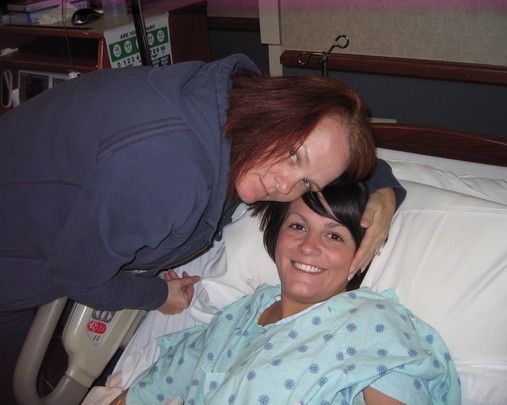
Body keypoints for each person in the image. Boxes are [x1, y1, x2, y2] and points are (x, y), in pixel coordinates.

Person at [0, 54, 405, 402]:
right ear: (278, 113)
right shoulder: (174, 170)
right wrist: (157, 295)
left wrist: (384, 191)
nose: (284, 187)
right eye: (292, 155)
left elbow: (330, 155)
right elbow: (77, 273)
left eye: (307, 184)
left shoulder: (233, 104)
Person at [111, 182, 459, 405]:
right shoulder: (238, 315)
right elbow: (146, 393)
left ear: (360, 254)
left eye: (334, 236)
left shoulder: (374, 323)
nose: (309, 246)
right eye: (297, 226)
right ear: (276, 237)